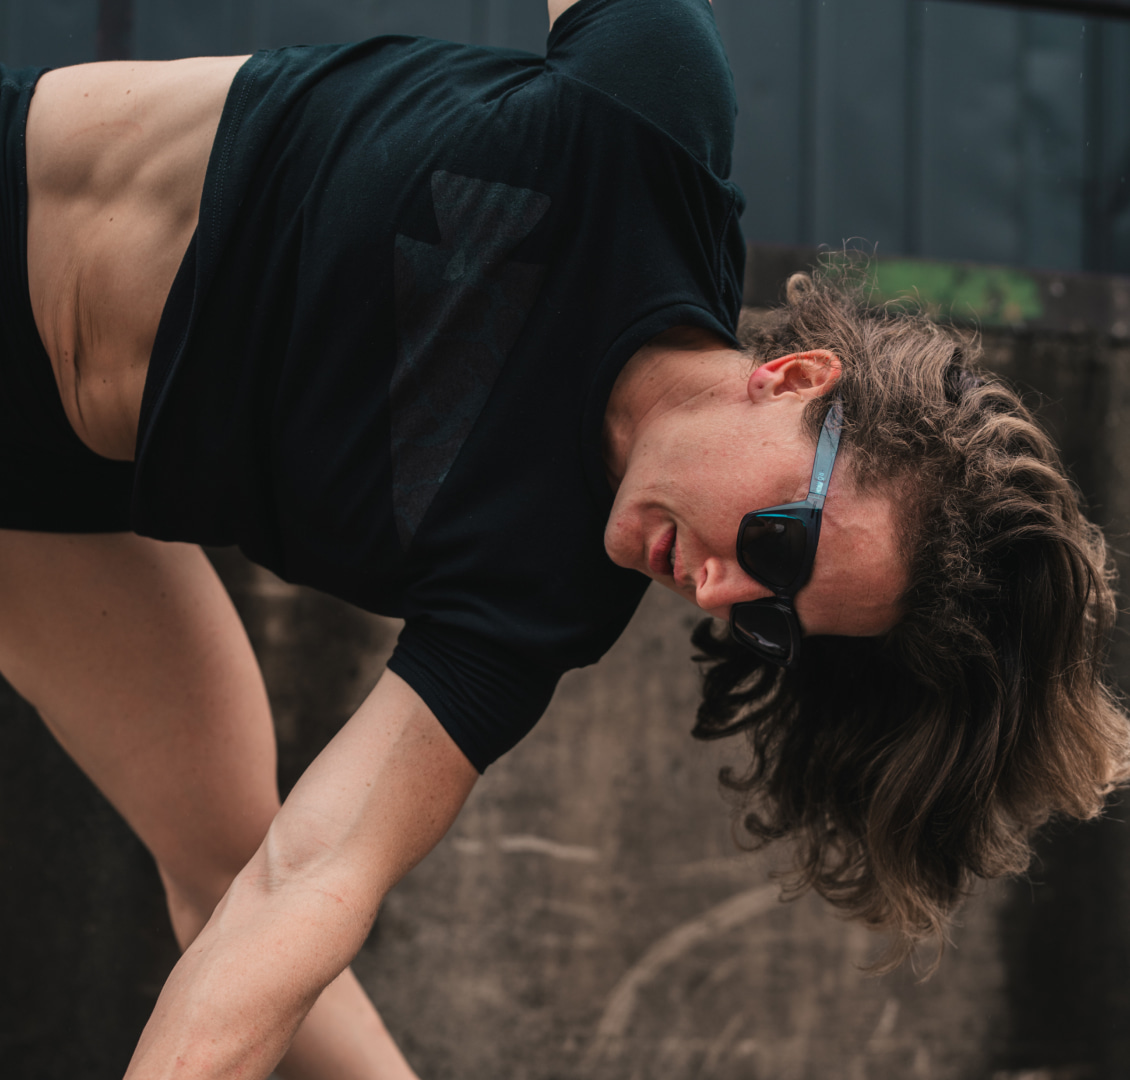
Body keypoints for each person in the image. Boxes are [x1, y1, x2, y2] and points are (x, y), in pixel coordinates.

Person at [0, 1, 1124, 1078]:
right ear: (790, 380)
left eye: (772, 617)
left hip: (43, 489)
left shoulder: (545, 602)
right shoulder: (643, 129)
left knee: (237, 863)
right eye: (778, 550)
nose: (723, 594)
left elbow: (308, 884)